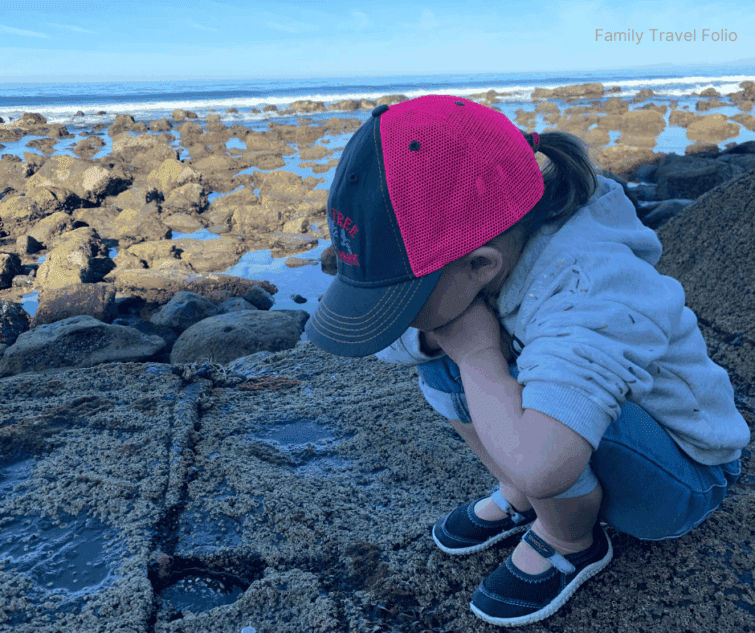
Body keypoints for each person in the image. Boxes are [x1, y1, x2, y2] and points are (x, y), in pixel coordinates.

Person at [303, 95, 749, 627]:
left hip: (684, 477)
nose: (400, 317)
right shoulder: (486, 260)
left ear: (481, 265)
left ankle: (569, 538)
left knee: (467, 355)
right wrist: (451, 347)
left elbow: (545, 462)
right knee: (438, 353)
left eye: (404, 299)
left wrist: (477, 355)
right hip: (557, 442)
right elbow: (400, 342)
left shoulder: (591, 287)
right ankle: (523, 496)